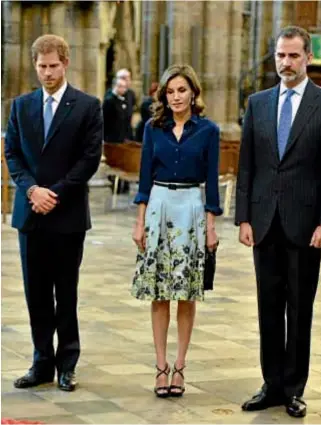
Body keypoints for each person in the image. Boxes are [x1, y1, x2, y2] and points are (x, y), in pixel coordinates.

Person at [235, 26, 321, 418]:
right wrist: (243, 217)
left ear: (307, 58)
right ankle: (271, 384)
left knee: (300, 309)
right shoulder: (258, 103)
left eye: (293, 56)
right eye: (280, 56)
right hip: (264, 222)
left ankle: (294, 388)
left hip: (306, 226)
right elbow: (247, 165)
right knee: (268, 307)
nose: (285, 62)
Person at [5, 34, 103, 392]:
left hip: (67, 214)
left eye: (53, 66)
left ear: (66, 63)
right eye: (41, 67)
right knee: (36, 293)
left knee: (66, 291)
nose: (47, 73)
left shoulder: (87, 106)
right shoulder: (21, 106)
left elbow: (89, 159)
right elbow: (12, 153)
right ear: (35, 65)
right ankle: (41, 361)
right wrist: (31, 189)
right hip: (30, 213)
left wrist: (54, 193)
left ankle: (68, 364)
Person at [131, 64, 222, 398]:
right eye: (170, 92)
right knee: (159, 292)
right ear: (163, 95)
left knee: (185, 292)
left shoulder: (208, 130)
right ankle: (160, 366)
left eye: (182, 90)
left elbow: (211, 182)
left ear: (193, 92)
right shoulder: (153, 128)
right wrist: (139, 222)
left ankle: (180, 366)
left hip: (191, 208)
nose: (176, 97)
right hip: (158, 205)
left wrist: (211, 227)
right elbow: (143, 179)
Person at [103, 77, 130, 143]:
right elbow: (104, 119)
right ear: (116, 86)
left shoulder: (123, 99)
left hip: (121, 138)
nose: (124, 89)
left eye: (125, 87)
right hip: (111, 138)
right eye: (121, 86)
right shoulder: (109, 100)